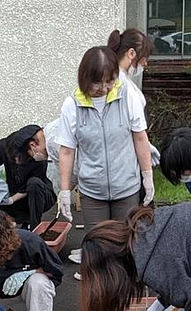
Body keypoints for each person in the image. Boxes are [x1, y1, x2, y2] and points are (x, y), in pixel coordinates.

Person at [55, 45, 154, 232]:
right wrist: (65, 190)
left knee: (125, 242)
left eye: (109, 81)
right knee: (97, 243)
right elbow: (67, 151)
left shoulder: (127, 96)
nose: (103, 88)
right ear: (85, 78)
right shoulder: (72, 105)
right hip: (92, 192)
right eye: (97, 83)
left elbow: (140, 138)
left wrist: (147, 177)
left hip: (127, 187)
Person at [0, 125, 57, 229]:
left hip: (40, 195)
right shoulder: (4, 146)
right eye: (45, 149)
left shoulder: (39, 160)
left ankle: (34, 227)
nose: (47, 154)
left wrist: (11, 200)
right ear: (32, 145)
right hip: (17, 196)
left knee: (34, 183)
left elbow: (29, 189)